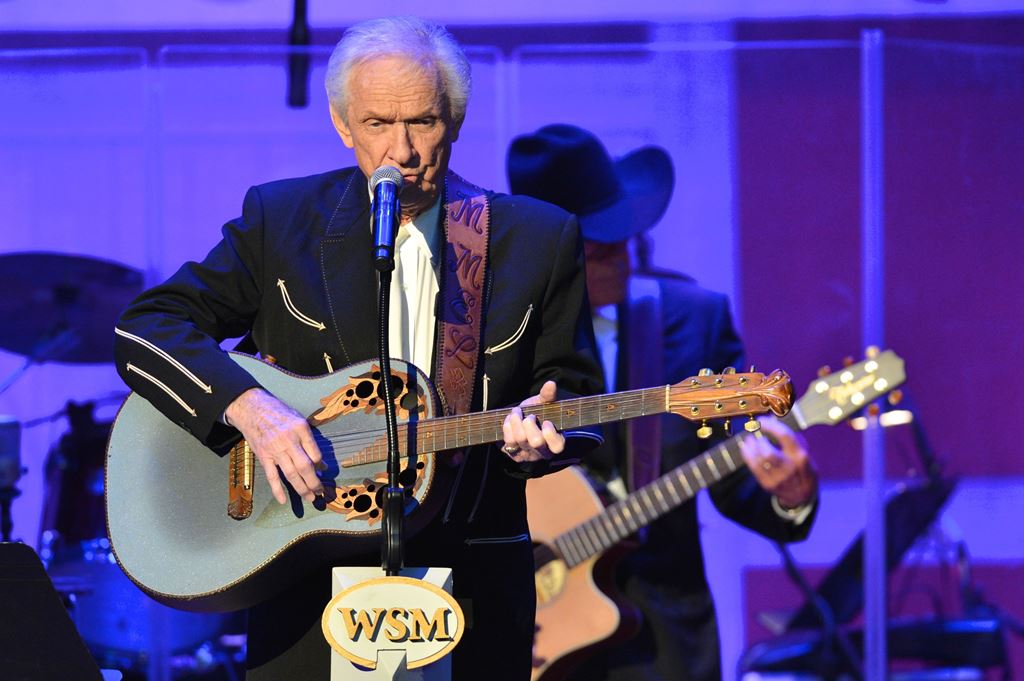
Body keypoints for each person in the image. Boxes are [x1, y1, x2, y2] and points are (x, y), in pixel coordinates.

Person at [113, 20, 603, 680]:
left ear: (455, 120)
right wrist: (250, 408)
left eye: (423, 121)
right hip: (304, 584)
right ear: (344, 126)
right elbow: (148, 325)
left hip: (473, 587)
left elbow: (574, 398)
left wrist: (544, 436)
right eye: (377, 124)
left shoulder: (538, 240)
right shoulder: (280, 221)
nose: (401, 150)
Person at [507, 124, 819, 681]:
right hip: (528, 638)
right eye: (600, 252)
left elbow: (736, 479)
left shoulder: (693, 321)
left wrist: (789, 495)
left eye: (626, 241)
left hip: (662, 643)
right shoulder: (499, 336)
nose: (622, 261)